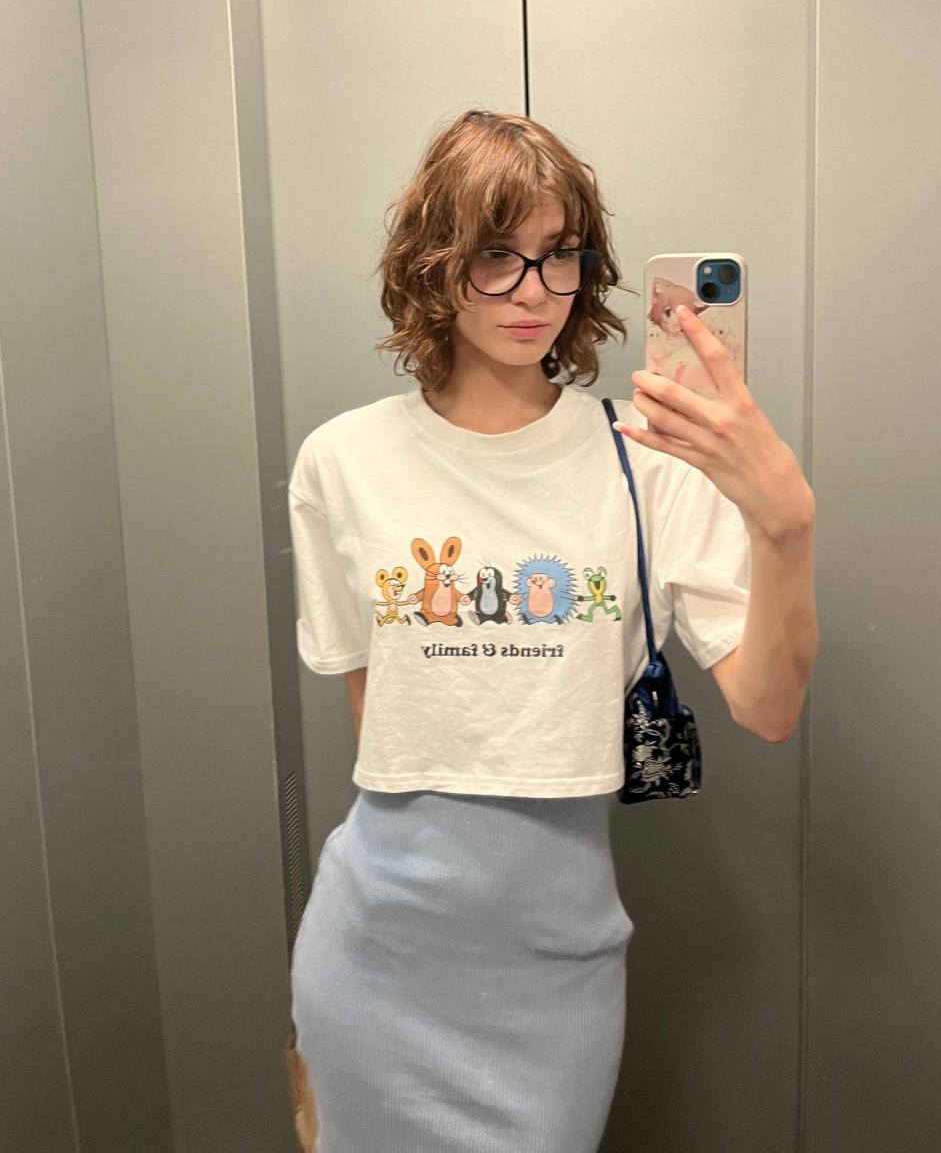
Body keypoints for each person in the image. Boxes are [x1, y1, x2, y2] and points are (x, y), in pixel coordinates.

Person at [287, 108, 816, 1153]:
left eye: (559, 254)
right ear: (434, 263)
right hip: (377, 954)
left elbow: (768, 708)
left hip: (558, 965)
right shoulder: (340, 462)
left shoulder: (648, 459)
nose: (533, 290)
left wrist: (785, 526)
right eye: (497, 254)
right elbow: (380, 722)